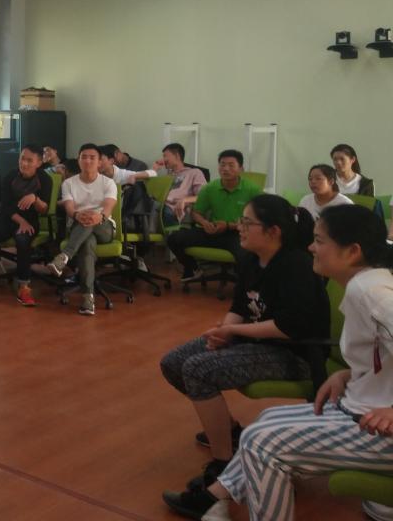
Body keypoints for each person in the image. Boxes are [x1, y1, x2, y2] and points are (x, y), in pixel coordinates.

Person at [163, 204, 393, 521]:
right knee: (265, 421)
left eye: (319, 241)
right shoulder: (365, 285)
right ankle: (214, 500)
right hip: (361, 408)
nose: (311, 247)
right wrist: (348, 375)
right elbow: (382, 354)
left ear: (353, 251)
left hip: (378, 428)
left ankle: (216, 499)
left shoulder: (371, 293)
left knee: (262, 442)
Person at [159, 195, 328, 506]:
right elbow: (240, 305)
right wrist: (224, 331)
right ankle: (231, 432)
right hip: (256, 339)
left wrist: (232, 332)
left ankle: (223, 466)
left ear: (273, 231)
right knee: (173, 362)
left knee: (198, 368)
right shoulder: (251, 258)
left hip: (295, 353)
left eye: (248, 223)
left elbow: (289, 328)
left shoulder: (296, 266)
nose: (240, 227)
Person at [0, 144, 51, 306]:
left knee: (23, 241)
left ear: (39, 163)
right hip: (8, 219)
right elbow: (6, 206)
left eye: (29, 160)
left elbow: (45, 209)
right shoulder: (10, 176)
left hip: (31, 221)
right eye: (22, 159)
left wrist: (35, 199)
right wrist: (21, 221)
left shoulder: (45, 179)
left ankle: (24, 287)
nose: (24, 163)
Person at [167, 150, 261, 281]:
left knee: (246, 256)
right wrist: (205, 223)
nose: (225, 169)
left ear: (241, 169)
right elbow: (196, 212)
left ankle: (245, 285)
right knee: (174, 239)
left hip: (238, 234)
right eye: (222, 165)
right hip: (213, 231)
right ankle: (193, 269)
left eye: (231, 165)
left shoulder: (252, 189)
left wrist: (228, 226)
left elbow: (258, 220)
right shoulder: (210, 188)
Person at [51, 143, 118, 316]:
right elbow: (69, 208)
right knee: (87, 244)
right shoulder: (68, 183)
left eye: (92, 157)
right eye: (84, 157)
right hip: (79, 225)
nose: (88, 161)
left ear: (99, 162)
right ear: (79, 160)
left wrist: (99, 216)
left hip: (104, 227)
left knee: (90, 221)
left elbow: (108, 207)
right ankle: (88, 298)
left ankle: (64, 256)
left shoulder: (108, 183)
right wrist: (77, 214)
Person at [156, 143, 207, 226]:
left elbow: (203, 196)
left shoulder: (194, 172)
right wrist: (154, 170)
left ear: (177, 156)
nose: (163, 159)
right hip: (160, 206)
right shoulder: (167, 176)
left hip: (174, 209)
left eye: (165, 156)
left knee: (158, 209)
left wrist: (184, 200)